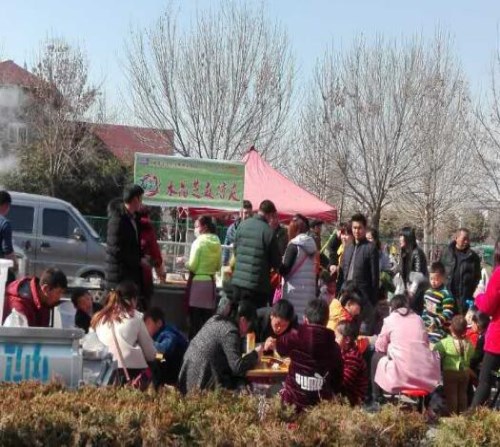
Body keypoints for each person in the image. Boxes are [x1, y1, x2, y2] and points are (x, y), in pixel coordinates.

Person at [178, 299, 266, 394]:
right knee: (246, 387)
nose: (248, 331)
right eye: (250, 325)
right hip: (202, 382)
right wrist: (255, 354)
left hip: (187, 378)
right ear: (243, 320)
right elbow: (237, 367)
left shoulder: (215, 319)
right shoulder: (230, 330)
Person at [370, 294, 440, 407]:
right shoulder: (419, 319)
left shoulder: (390, 320)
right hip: (424, 374)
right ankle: (425, 403)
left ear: (392, 307)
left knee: (375, 357)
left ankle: (376, 398)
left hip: (401, 375)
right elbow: (425, 344)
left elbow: (380, 347)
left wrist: (390, 347)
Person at [275, 298, 343, 412]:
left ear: (305, 319)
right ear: (326, 322)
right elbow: (337, 379)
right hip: (320, 407)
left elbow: (280, 347)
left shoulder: (294, 338)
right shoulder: (334, 347)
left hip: (293, 405)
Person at [91, 281, 157, 385]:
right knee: (159, 362)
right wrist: (161, 356)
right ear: (133, 300)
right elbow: (151, 354)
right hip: (132, 374)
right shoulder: (135, 317)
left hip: (103, 371)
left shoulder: (99, 317)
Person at [231, 200, 281, 308]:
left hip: (237, 282)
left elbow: (235, 250)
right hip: (257, 286)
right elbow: (276, 262)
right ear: (270, 215)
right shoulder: (269, 232)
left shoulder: (242, 225)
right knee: (254, 319)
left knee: (237, 317)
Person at [470, 237, 500, 408]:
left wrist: (479, 295)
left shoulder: (498, 274)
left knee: (485, 381)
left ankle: (472, 419)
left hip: (497, 337)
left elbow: (488, 307)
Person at [341, 214, 379, 335]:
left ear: (365, 228)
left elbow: (374, 276)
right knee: (348, 334)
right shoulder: (348, 248)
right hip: (348, 298)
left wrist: (373, 300)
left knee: (363, 335)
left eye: (359, 228)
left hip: (364, 299)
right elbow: (343, 273)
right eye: (354, 228)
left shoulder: (370, 248)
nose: (357, 231)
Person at [185, 215, 222, 339]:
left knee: (194, 323)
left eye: (196, 226)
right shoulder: (217, 242)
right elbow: (218, 266)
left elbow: (193, 266)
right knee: (207, 322)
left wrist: (184, 262)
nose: (195, 229)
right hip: (210, 285)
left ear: (204, 227)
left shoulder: (198, 242)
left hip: (197, 285)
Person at [105, 185, 146, 295]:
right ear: (135, 199)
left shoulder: (134, 218)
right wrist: (137, 260)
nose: (142, 202)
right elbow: (115, 249)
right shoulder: (117, 219)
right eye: (141, 198)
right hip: (118, 276)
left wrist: (142, 256)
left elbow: (134, 245)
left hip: (130, 275)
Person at [279, 214, 318, 321]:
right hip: (308, 293)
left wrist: (277, 262)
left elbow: (285, 270)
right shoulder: (312, 246)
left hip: (294, 294)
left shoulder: (293, 246)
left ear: (295, 229)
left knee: (293, 323)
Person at [433, 315, 474, 414]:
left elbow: (435, 352)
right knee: (462, 394)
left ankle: (453, 415)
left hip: (450, 372)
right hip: (464, 372)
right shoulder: (469, 343)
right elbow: (472, 354)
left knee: (452, 395)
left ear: (451, 328)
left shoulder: (445, 343)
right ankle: (463, 413)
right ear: (465, 330)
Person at [3, 267, 67, 327]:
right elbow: (18, 337)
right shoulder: (19, 307)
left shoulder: (44, 301)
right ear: (45, 289)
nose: (59, 297)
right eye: (58, 292)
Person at [143, 307, 188, 387]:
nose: (145, 328)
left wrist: (148, 343)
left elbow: (165, 349)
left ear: (159, 323)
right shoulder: (157, 333)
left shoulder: (168, 333)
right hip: (169, 362)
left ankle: (158, 385)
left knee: (158, 357)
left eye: (148, 323)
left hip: (176, 366)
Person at [441, 228, 481, 315]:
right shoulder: (446, 253)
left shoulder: (473, 257)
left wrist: (470, 291)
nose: (466, 242)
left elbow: (477, 278)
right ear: (456, 238)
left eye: (468, 239)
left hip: (464, 299)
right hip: (447, 296)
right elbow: (439, 271)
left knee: (461, 325)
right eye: (464, 239)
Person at [422, 261, 456, 344]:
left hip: (439, 329)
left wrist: (436, 322)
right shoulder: (428, 292)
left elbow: (448, 313)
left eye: (436, 279)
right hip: (426, 327)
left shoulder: (446, 294)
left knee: (434, 347)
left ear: (443, 278)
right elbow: (425, 310)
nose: (433, 281)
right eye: (431, 279)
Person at [336, 320, 368, 406]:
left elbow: (345, 382)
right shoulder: (343, 351)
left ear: (347, 340)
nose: (334, 340)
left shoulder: (353, 357)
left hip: (352, 400)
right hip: (346, 395)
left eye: (337, 337)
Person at [138, 206, 165, 309]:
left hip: (127, 279)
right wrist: (160, 273)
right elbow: (156, 257)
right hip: (145, 278)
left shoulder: (126, 226)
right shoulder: (149, 230)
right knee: (144, 310)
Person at [223, 200, 253, 265]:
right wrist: (224, 264)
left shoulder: (255, 228)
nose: (248, 215)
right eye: (245, 213)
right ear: (240, 213)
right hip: (234, 264)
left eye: (250, 213)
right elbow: (226, 248)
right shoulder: (232, 229)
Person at [0, 191, 17, 283]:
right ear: (6, 205)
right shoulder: (4, 223)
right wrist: (15, 265)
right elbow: (8, 251)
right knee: (12, 282)